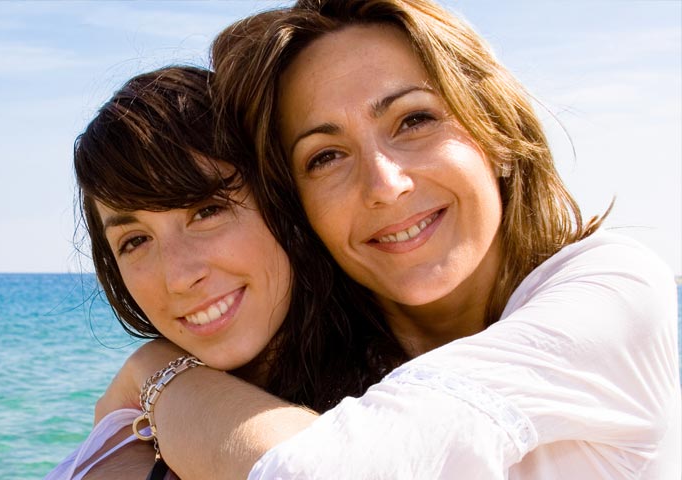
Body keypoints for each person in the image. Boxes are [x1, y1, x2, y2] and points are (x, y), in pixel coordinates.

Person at [94, 0, 681, 478]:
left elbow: (322, 472)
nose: (384, 185)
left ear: (497, 130)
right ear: (297, 206)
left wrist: (155, 375)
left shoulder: (612, 289)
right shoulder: (320, 380)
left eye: (415, 120)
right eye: (325, 156)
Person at [45, 65, 405, 479]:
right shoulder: (133, 436)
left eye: (207, 211)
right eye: (135, 241)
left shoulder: (408, 383)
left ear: (279, 198)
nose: (178, 276)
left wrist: (155, 373)